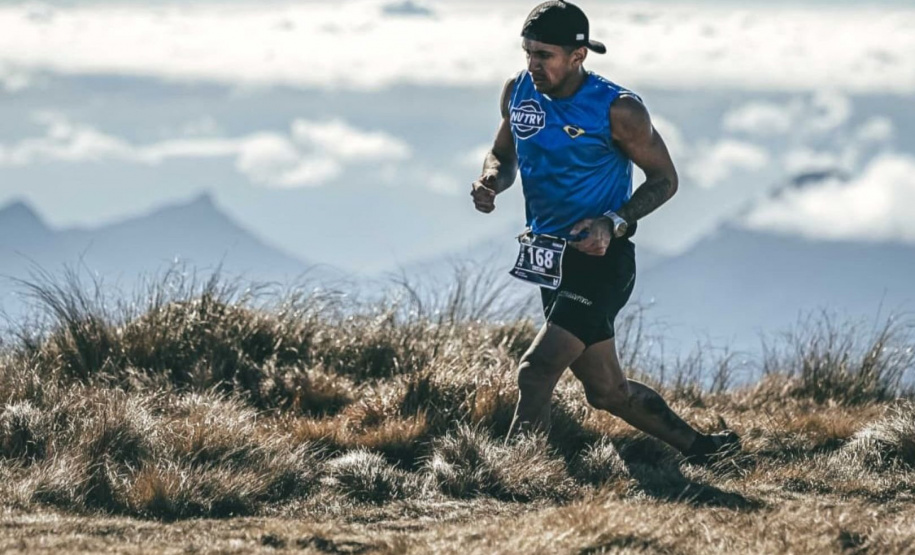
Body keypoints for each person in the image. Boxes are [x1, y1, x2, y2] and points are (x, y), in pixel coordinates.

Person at [470, 0, 739, 464]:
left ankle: (515, 475)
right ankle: (709, 451)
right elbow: (503, 152)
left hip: (601, 261)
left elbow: (665, 181)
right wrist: (492, 179)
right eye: (528, 52)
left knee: (536, 371)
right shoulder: (518, 92)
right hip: (549, 258)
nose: (533, 64)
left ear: (578, 56)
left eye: (544, 55)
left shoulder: (619, 109)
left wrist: (611, 223)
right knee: (607, 392)